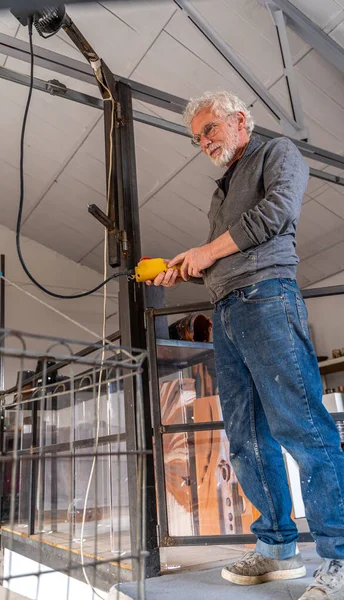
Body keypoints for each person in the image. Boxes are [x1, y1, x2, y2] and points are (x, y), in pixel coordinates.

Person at [146, 90, 344, 600]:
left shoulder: (277, 154)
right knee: (248, 436)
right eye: (197, 139)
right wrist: (186, 267)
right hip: (229, 310)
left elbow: (274, 215)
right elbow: (226, 255)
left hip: (268, 298)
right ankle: (278, 549)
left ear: (238, 119)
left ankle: (340, 555)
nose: (203, 143)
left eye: (209, 130)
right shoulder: (223, 189)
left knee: (301, 425)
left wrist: (206, 250)